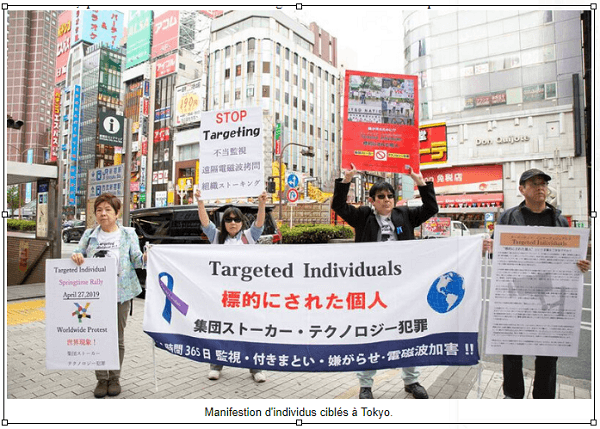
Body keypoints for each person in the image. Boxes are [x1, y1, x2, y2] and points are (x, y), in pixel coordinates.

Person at [331, 163, 439, 399]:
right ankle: (366, 385)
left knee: (407, 331)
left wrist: (421, 182)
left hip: (404, 287)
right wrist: (347, 179)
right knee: (371, 332)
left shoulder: (406, 215)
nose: (387, 200)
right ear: (372, 200)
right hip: (372, 289)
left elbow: (431, 208)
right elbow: (338, 206)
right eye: (381, 196)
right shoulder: (363, 217)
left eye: (390, 196)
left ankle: (411, 381)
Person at [482, 168, 590, 399]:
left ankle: (543, 399)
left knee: (549, 351)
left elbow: (568, 258)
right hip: (517, 294)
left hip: (550, 294)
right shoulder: (509, 217)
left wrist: (580, 264)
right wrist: (489, 249)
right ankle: (513, 396)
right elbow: (497, 254)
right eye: (534, 184)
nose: (541, 187)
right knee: (511, 349)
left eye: (543, 184)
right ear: (522, 189)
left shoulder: (559, 219)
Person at [71, 193, 147, 398]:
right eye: (99, 210)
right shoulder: (89, 235)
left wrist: (147, 257)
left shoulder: (128, 234)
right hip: (95, 295)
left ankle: (114, 377)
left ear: (117, 213)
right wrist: (76, 256)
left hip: (121, 293)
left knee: (117, 338)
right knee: (97, 336)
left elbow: (137, 260)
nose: (103, 214)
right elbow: (78, 254)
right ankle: (101, 379)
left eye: (108, 210)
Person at [195, 188, 268, 383]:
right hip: (222, 295)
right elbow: (204, 222)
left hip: (246, 294)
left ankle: (256, 369)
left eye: (236, 219)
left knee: (250, 329)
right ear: (223, 222)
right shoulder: (216, 237)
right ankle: (215, 365)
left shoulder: (248, 236)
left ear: (242, 222)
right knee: (220, 329)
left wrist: (262, 203)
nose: (233, 223)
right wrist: (200, 201)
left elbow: (259, 224)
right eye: (228, 219)